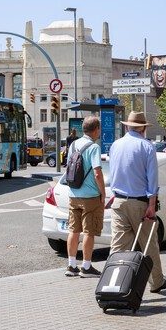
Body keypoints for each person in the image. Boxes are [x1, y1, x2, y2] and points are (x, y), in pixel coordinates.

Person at [108, 111, 166, 293]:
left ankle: (113, 283)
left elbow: (113, 173)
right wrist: (152, 205)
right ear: (143, 128)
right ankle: (156, 282)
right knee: (148, 244)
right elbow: (152, 179)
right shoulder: (146, 146)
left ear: (127, 126)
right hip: (140, 203)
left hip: (119, 201)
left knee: (118, 247)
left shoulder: (115, 145)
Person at [64, 117, 106, 278]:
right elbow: (97, 173)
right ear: (95, 129)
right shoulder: (94, 147)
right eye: (99, 129)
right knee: (89, 231)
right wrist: (103, 193)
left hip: (74, 194)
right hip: (90, 197)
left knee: (73, 230)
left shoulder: (73, 144)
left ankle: (71, 265)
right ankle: (86, 266)